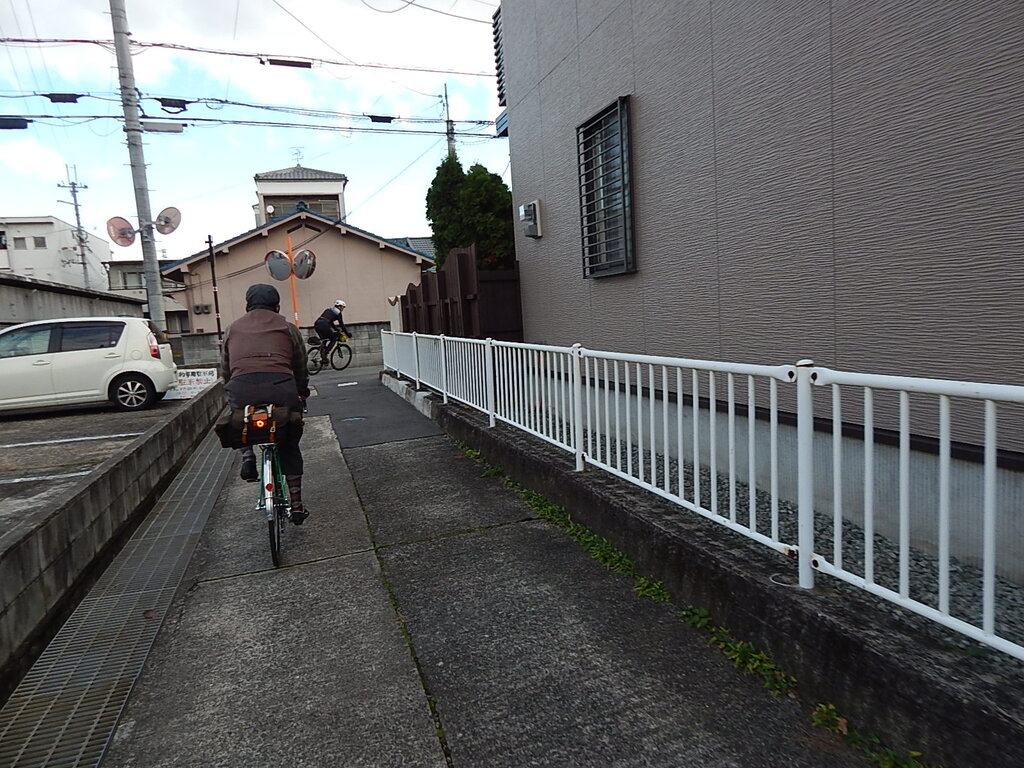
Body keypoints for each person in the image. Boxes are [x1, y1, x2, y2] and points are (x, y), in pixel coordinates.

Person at [221, 283, 311, 524]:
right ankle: (296, 504)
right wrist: (302, 392)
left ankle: (248, 457)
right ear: (277, 306)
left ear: (247, 305)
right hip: (281, 388)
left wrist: (231, 387)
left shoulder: (231, 329)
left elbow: (226, 369)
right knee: (289, 439)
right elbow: (300, 365)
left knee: (240, 418)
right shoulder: (288, 328)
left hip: (241, 389)